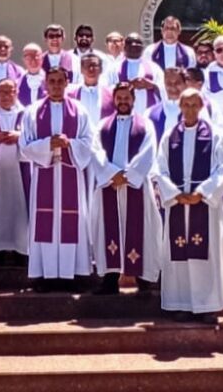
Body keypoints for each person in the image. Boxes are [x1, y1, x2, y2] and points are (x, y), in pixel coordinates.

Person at [155, 88, 223, 324]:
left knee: (204, 255)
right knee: (180, 256)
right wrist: (175, 194)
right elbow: (160, 169)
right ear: (180, 108)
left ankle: (207, 305)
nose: (189, 109)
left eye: (193, 105)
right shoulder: (169, 136)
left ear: (201, 106)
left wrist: (202, 192)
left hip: (204, 205)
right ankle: (183, 304)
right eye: (185, 105)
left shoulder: (215, 135)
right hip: (178, 203)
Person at [19, 67, 97, 290]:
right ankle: (44, 276)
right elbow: (24, 146)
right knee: (44, 223)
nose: (55, 85)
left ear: (66, 83)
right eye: (51, 81)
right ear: (45, 83)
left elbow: (89, 143)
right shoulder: (33, 111)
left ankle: (75, 273)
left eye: (59, 81)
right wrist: (47, 145)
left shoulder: (79, 111)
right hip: (45, 173)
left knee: (73, 221)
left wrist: (69, 144)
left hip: (71, 174)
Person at [90, 83, 160, 297]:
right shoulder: (102, 126)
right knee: (108, 231)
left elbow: (148, 152)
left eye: (126, 98)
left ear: (133, 99)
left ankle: (143, 278)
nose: (122, 101)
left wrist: (128, 176)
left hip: (135, 187)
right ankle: (110, 280)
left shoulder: (144, 124)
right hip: (110, 186)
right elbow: (96, 151)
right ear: (114, 100)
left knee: (141, 231)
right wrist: (111, 174)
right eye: (119, 98)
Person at [0, 79, 30, 265]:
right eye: (2, 92)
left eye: (9, 92)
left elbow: (34, 136)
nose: (5, 96)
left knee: (20, 208)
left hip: (21, 172)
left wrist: (19, 136)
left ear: (16, 92)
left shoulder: (26, 115)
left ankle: (22, 249)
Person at [110, 33, 164, 116]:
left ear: (142, 47)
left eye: (137, 42)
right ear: (124, 46)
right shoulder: (114, 68)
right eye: (130, 42)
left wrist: (152, 85)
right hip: (122, 114)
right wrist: (128, 85)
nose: (134, 45)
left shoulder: (154, 68)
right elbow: (106, 90)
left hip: (149, 114)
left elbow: (165, 89)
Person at [67, 54, 115, 127]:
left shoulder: (111, 95)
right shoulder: (70, 95)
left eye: (94, 65)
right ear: (81, 70)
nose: (91, 69)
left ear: (101, 69)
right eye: (87, 66)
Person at [17, 43, 48, 107]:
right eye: (29, 57)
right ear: (24, 60)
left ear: (42, 58)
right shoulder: (17, 83)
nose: (33, 61)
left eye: (36, 56)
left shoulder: (50, 80)